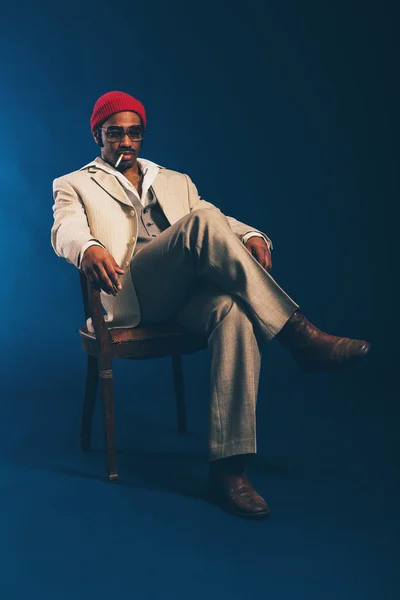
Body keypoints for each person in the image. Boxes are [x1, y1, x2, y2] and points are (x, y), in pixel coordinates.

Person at [51, 91, 370, 519]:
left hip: (183, 297)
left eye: (134, 134)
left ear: (142, 136)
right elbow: (65, 226)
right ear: (97, 136)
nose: (125, 143)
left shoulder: (174, 180)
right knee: (200, 225)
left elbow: (211, 217)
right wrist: (86, 246)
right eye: (115, 134)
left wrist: (253, 234)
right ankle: (298, 334)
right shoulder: (74, 183)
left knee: (235, 314)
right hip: (134, 291)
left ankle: (229, 472)